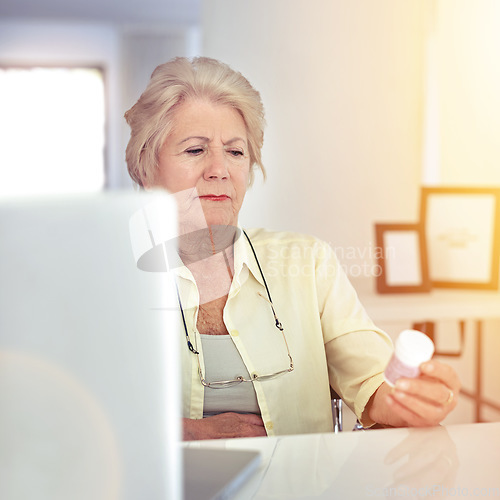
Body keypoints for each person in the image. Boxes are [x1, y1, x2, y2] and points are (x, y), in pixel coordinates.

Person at [124, 56, 461, 440]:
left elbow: (375, 385)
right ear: (147, 166)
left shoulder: (309, 261)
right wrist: (185, 434)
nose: (219, 169)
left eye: (235, 152)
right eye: (195, 150)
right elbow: (78, 416)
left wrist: (412, 400)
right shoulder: (110, 278)